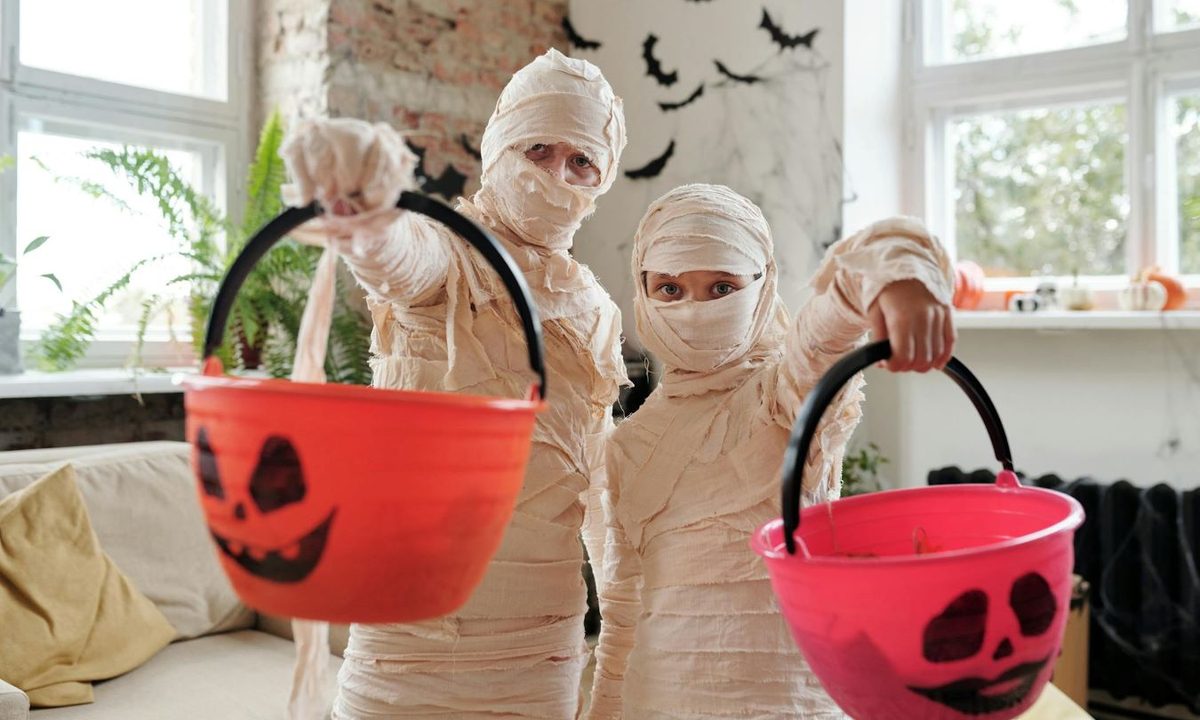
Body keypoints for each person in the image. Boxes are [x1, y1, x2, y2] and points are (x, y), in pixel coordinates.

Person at [280, 48, 628, 719]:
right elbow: (398, 259)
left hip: (540, 648)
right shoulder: (452, 254)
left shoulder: (596, 310)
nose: (557, 174)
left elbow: (598, 482)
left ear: (601, 178)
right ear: (499, 150)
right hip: (403, 638)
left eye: (580, 161)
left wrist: (627, 620)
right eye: (539, 150)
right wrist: (367, 209)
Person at [585, 183, 954, 719]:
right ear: (641, 290)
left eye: (721, 287)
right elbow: (621, 615)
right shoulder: (626, 445)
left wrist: (900, 275)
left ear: (762, 286)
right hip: (658, 703)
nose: (694, 309)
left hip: (789, 703)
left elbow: (834, 319)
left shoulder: (786, 397)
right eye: (669, 288)